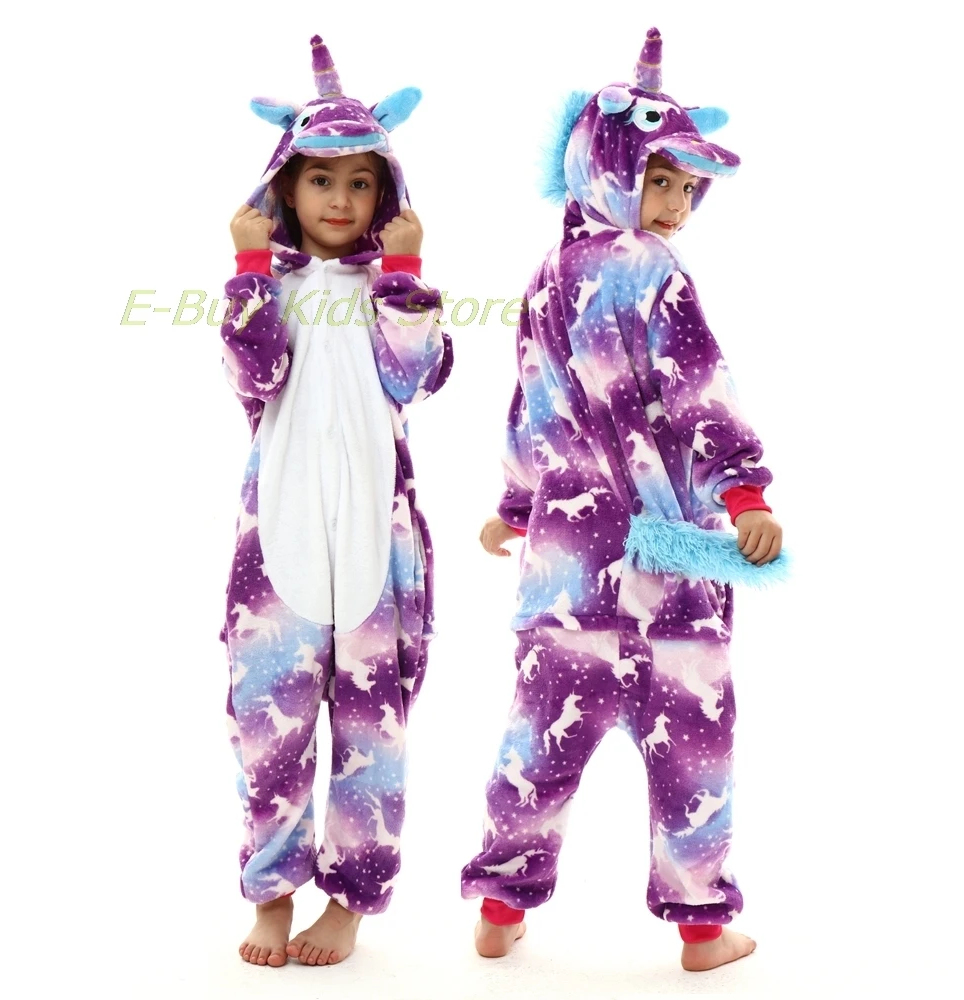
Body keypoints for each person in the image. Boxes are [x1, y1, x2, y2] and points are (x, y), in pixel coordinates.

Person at [460, 27, 783, 974]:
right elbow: (700, 388)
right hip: (666, 568)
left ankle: (499, 907)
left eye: (689, 188)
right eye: (660, 181)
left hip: (565, 573)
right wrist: (745, 491)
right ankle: (702, 929)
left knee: (537, 744)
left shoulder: (544, 279)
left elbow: (529, 404)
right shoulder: (656, 273)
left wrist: (517, 507)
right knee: (693, 746)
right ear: (605, 169)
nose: (677, 206)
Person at [218, 35, 452, 969]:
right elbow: (256, 373)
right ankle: (272, 891)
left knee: (371, 730)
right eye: (321, 180)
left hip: (375, 543)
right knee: (266, 723)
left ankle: (350, 902)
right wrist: (247, 266)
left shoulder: (393, 288)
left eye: (361, 182)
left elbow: (415, 376)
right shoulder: (266, 288)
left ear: (385, 197)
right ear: (285, 187)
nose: (341, 200)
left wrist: (404, 275)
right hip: (275, 538)